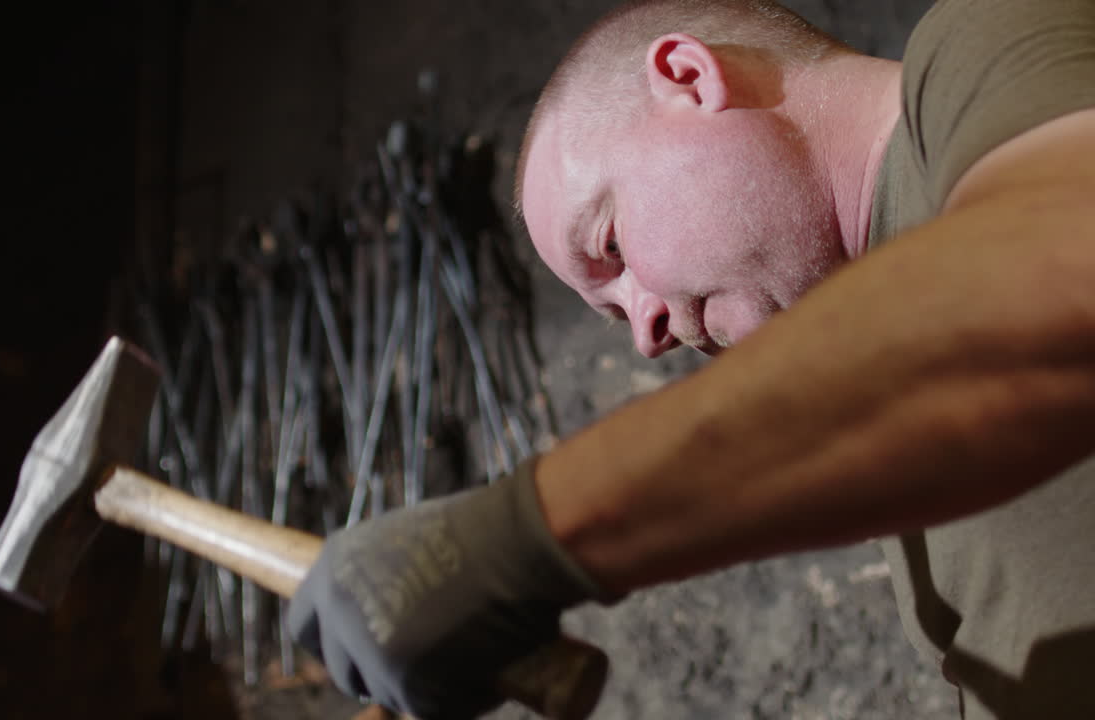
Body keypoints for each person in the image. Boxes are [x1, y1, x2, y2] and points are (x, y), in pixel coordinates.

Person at [289, 1, 1095, 718]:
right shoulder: (879, 434)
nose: (646, 333)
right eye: (613, 314)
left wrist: (520, 538)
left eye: (610, 246)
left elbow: (1062, 277)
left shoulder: (994, 35)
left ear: (688, 76)